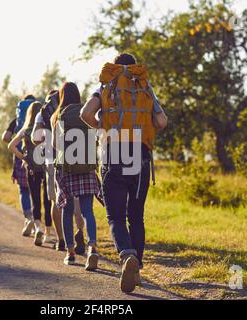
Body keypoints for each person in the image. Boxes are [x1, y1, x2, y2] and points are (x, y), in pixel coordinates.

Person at [81, 53, 168, 293]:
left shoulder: (106, 85)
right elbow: (161, 121)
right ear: (134, 67)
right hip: (140, 155)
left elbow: (86, 114)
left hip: (113, 152)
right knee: (136, 216)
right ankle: (136, 265)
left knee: (116, 217)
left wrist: (103, 126)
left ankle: (126, 256)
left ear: (116, 66)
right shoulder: (144, 86)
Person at [51, 82, 101, 270]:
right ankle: (93, 247)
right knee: (88, 211)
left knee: (66, 209)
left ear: (62, 96)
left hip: (67, 169)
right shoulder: (86, 112)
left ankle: (70, 253)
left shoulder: (58, 115)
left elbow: (56, 145)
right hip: (87, 167)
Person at [32, 90, 87, 254]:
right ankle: (80, 234)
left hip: (52, 160)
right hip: (76, 158)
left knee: (58, 201)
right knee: (77, 200)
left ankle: (62, 240)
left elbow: (35, 138)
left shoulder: (44, 113)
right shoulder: (77, 110)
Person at [8, 101, 53, 246]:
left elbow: (11, 146)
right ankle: (47, 232)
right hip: (46, 167)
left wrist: (24, 157)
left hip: (31, 168)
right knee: (47, 200)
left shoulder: (25, 130)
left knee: (35, 199)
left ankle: (37, 226)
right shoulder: (45, 129)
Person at [2, 94, 36, 237]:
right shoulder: (37, 119)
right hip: (36, 156)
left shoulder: (16, 120)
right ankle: (37, 220)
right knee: (35, 190)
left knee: (23, 190)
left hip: (19, 155)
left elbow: (5, 138)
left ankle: (28, 218)